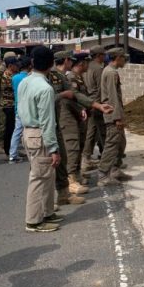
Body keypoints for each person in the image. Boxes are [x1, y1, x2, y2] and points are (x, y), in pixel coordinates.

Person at [49, 51, 113, 203]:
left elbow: (75, 96)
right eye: (70, 60)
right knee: (71, 147)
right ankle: (70, 182)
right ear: (66, 60)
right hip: (63, 115)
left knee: (73, 148)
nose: (73, 63)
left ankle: (70, 181)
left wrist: (93, 106)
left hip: (70, 113)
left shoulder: (63, 76)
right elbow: (60, 97)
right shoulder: (53, 75)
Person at [18, 47, 63, 233]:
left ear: (33, 63)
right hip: (40, 134)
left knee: (46, 175)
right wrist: (54, 148)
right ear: (51, 64)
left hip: (28, 131)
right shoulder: (45, 88)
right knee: (39, 178)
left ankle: (47, 212)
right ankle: (34, 221)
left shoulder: (25, 82)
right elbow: (47, 121)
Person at [97, 48, 131, 187]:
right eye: (123, 58)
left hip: (114, 113)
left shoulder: (110, 71)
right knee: (111, 145)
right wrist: (117, 117)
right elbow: (112, 96)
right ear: (117, 57)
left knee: (121, 143)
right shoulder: (111, 73)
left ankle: (115, 169)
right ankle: (103, 174)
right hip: (112, 114)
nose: (125, 60)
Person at [64, 52, 91, 186]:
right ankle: (71, 177)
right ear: (81, 63)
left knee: (80, 146)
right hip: (74, 117)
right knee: (73, 148)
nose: (88, 65)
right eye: (87, 62)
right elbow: (74, 97)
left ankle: (76, 173)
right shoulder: (72, 78)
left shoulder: (79, 77)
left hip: (81, 117)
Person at [81, 45, 106, 172]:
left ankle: (98, 155)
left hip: (87, 101)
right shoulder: (98, 69)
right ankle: (87, 158)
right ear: (98, 55)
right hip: (96, 103)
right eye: (103, 54)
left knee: (93, 131)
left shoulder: (86, 67)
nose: (104, 56)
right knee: (95, 131)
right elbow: (101, 89)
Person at [8, 56, 31, 164]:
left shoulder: (14, 78)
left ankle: (13, 154)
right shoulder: (30, 78)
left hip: (18, 107)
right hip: (29, 108)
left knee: (17, 131)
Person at [0, 57, 19, 158]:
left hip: (11, 104)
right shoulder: (8, 75)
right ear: (11, 66)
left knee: (12, 128)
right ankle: (8, 150)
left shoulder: (12, 75)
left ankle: (12, 149)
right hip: (9, 104)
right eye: (16, 65)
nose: (18, 66)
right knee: (10, 129)